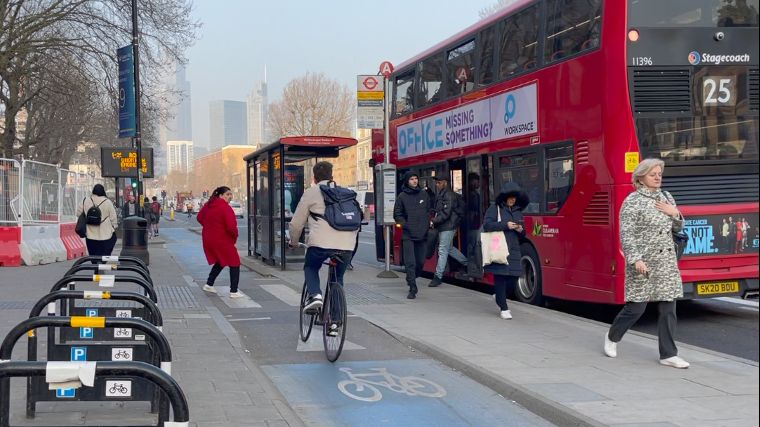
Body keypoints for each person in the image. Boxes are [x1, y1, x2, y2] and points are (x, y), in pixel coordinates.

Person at [604, 158, 689, 369]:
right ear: (640, 177)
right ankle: (612, 336)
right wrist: (635, 260)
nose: (658, 177)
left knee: (669, 306)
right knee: (637, 307)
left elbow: (678, 228)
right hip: (644, 262)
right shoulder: (632, 201)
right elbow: (626, 234)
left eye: (660, 173)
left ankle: (668, 354)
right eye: (653, 174)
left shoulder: (667, 196)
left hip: (666, 261)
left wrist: (675, 213)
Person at [288, 161, 358, 324]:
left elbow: (296, 223)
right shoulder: (346, 193)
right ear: (332, 176)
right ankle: (335, 321)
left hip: (320, 244)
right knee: (337, 279)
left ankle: (315, 295)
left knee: (311, 267)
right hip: (347, 245)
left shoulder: (311, 192)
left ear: (314, 178)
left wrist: (294, 242)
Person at [482, 182, 529, 320]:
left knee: (514, 277)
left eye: (514, 197)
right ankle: (504, 308)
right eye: (510, 197)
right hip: (499, 248)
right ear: (504, 197)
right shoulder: (494, 208)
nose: (512, 199)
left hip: (514, 249)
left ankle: (498, 294)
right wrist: (506, 225)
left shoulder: (518, 211)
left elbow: (523, 233)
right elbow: (487, 225)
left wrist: (521, 230)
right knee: (500, 277)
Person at [197, 186, 243, 298]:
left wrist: (209, 227)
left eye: (230, 194)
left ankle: (209, 284)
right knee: (234, 262)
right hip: (222, 239)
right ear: (221, 196)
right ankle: (234, 291)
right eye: (227, 194)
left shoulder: (208, 205)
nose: (230, 197)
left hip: (209, 238)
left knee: (221, 260)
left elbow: (199, 217)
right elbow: (231, 227)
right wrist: (234, 236)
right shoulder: (225, 208)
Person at [393, 171, 432, 299]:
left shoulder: (424, 194)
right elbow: (397, 214)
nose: (415, 181)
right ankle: (412, 287)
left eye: (416, 178)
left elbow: (428, 210)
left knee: (420, 262)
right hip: (408, 234)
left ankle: (412, 277)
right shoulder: (402, 196)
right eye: (412, 179)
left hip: (422, 234)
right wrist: (406, 225)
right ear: (407, 181)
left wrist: (427, 224)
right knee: (410, 262)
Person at [429, 176, 468, 287]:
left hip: (448, 226)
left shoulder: (448, 195)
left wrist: (433, 221)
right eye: (436, 183)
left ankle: (438, 276)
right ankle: (467, 263)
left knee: (442, 249)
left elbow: (446, 213)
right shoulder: (442, 194)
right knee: (448, 248)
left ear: (445, 183)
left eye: (439, 182)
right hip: (445, 226)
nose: (437, 184)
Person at [76, 184, 118, 257]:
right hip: (105, 232)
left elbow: (78, 213)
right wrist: (114, 226)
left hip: (90, 232)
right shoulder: (107, 202)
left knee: (93, 253)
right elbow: (113, 217)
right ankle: (102, 262)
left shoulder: (86, 200)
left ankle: (95, 264)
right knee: (110, 243)